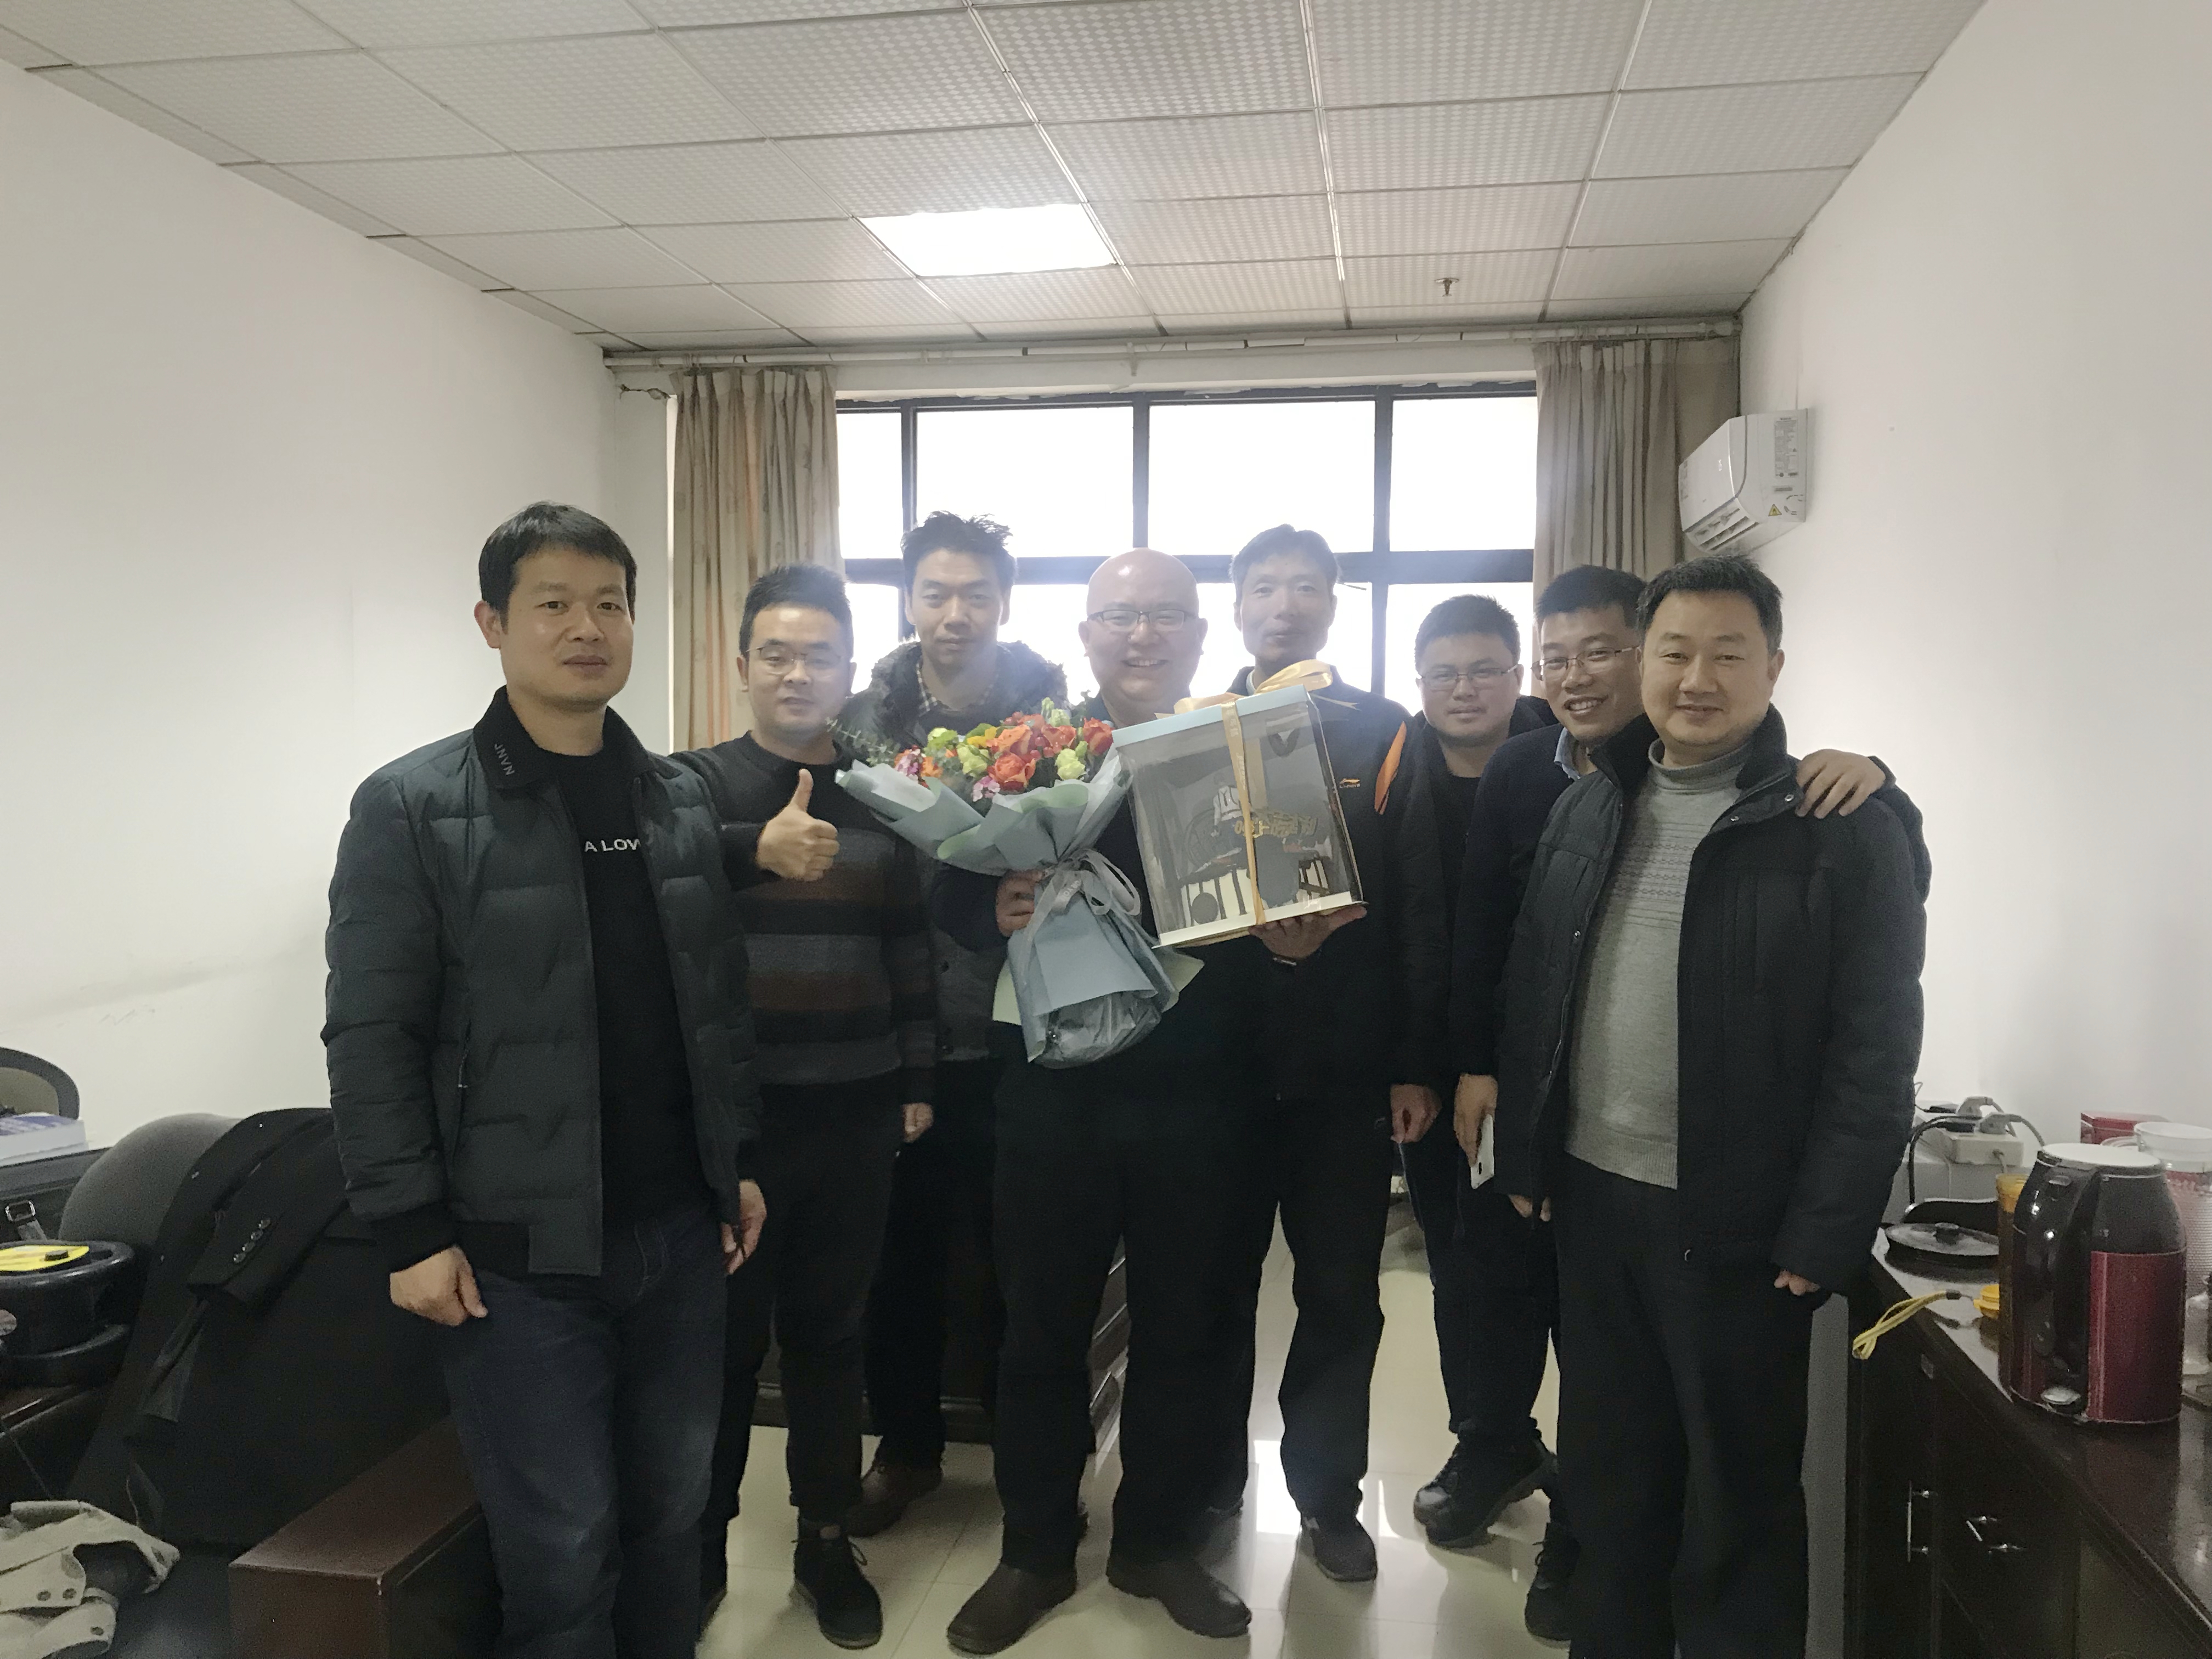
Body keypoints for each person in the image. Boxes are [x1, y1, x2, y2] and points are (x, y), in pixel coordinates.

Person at [323, 502, 766, 1659]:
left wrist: (733, 1164)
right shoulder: (413, 806)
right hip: (516, 1261)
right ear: (493, 623)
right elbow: (371, 1033)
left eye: (610, 604)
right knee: (564, 1551)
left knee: (674, 1520)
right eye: (555, 604)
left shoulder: (674, 796)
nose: (588, 629)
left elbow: (710, 1010)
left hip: (680, 1236)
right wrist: (410, 1229)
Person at [1440, 563, 1912, 1643]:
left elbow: (1877, 1049)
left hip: (1741, 1226)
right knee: (1612, 1487)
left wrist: (1826, 1230)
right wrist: (1533, 1164)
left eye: (1727, 655)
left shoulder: (1838, 826)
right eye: (1676, 652)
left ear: (1774, 668)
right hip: (1595, 1206)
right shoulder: (1591, 803)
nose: (1698, 679)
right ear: (1644, 663)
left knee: (1738, 1504)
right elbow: (1537, 991)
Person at [935, 550, 1283, 1654]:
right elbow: (948, 894)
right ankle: (1035, 1550)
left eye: (1166, 615)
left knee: (1186, 1326)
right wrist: (993, 901)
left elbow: (1291, 906)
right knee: (1038, 1328)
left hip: (1201, 1093)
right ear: (1085, 633)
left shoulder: (1240, 754)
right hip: (1053, 1092)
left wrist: (1296, 930)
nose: (1143, 634)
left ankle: (1156, 1543)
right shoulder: (1027, 752)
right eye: (1120, 615)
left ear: (1200, 635)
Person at [674, 565, 936, 1649]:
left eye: (818, 655)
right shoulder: (689, 787)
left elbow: (909, 945)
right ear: (742, 664)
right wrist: (751, 855)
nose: (796, 673)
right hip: (732, 1122)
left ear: (848, 669)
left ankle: (825, 1541)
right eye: (775, 654)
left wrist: (917, 1081)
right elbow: (650, 910)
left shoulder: (886, 792)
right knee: (723, 1347)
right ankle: (698, 1546)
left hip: (856, 1110)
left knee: (831, 1337)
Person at [1201, 525, 1447, 1583]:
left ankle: (1327, 1498)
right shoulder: (1194, 729)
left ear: (1334, 606)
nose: (1285, 604)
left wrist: (1413, 1061)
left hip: (1345, 1068)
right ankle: (1207, 1482)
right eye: (1265, 588)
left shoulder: (1384, 731)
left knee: (1342, 1295)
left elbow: (1419, 898)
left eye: (1306, 587)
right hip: (1216, 1063)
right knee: (1210, 1291)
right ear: (1237, 606)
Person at [840, 511, 1066, 1537]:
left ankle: (1029, 1458)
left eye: (976, 593)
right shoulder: (859, 723)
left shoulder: (1053, 718)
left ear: (1004, 603)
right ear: (908, 601)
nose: (955, 613)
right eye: (936, 593)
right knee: (900, 1260)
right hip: (897, 1036)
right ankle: (907, 1449)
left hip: (1017, 1031)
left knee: (1023, 1262)